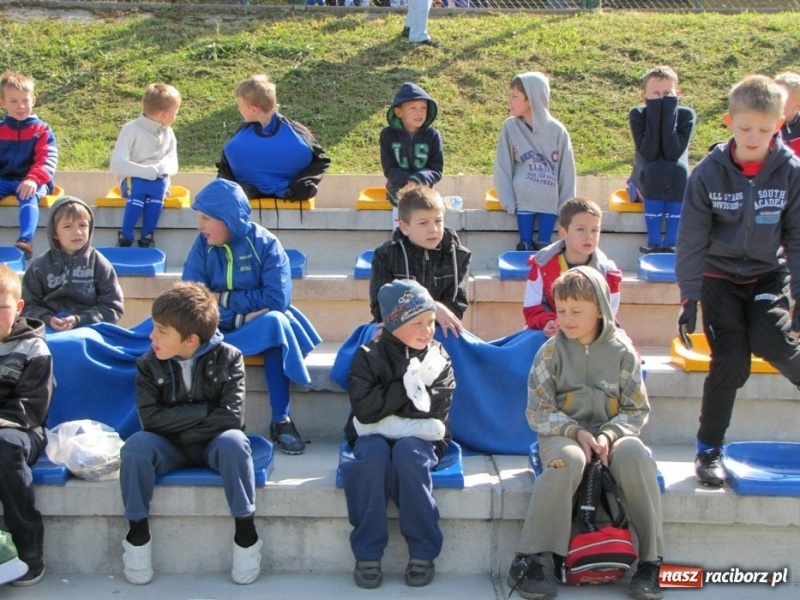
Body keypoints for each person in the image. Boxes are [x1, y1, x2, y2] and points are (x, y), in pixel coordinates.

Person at [508, 267, 662, 600]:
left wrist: (608, 435)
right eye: (561, 310)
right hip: (563, 433)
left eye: (577, 311)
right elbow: (538, 410)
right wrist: (574, 432)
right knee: (567, 459)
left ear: (600, 309)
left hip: (614, 436)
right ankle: (533, 558)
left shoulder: (623, 352)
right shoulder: (550, 352)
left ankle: (651, 562)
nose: (566, 319)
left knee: (636, 456)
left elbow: (636, 410)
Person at [676, 74, 800, 488]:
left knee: (777, 342)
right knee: (730, 362)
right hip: (719, 277)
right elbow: (692, 238)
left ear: (779, 125)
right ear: (729, 121)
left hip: (768, 272)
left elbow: (797, 237)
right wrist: (689, 296)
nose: (754, 137)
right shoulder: (708, 173)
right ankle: (709, 448)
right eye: (745, 128)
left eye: (764, 130)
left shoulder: (791, 172)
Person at [119, 282, 261, 586]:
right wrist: (205, 411)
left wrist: (184, 422)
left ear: (190, 339)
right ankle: (137, 533)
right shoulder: (147, 363)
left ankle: (246, 532)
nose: (151, 337)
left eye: (161, 331)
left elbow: (232, 417)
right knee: (135, 447)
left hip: (214, 446)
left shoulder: (230, 357)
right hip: (168, 447)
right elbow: (151, 421)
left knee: (235, 442)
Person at [182, 179, 321, 455]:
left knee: (275, 324)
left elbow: (276, 301)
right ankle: (209, 419)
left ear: (229, 219)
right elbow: (192, 298)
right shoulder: (202, 245)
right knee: (171, 323)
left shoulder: (266, 244)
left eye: (206, 218)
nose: (200, 226)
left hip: (256, 327)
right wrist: (239, 316)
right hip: (215, 327)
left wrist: (220, 298)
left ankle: (281, 419)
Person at [342, 279, 454, 589]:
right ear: (393, 323)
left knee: (408, 455)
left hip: (423, 439)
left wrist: (388, 404)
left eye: (431, 321)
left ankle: (422, 550)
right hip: (372, 437)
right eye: (417, 322)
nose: (427, 329)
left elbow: (436, 409)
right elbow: (364, 409)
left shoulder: (438, 358)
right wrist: (409, 388)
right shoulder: (368, 355)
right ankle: (367, 551)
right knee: (372, 457)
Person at [0, 263, 53, 586]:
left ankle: (28, 549)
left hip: (22, 431)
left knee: (4, 448)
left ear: (18, 307)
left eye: (1, 307)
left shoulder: (34, 348)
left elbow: (33, 407)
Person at [371, 185, 470, 335]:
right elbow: (380, 306)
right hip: (397, 328)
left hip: (438, 329)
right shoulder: (386, 255)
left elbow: (456, 306)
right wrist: (431, 306)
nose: (433, 229)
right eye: (423, 223)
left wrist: (427, 322)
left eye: (438, 221)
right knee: (368, 337)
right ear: (405, 227)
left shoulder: (459, 255)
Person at [494, 72, 576, 251]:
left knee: (545, 234)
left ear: (531, 98)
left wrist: (566, 204)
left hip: (549, 197)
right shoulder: (510, 127)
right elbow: (503, 165)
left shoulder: (557, 131)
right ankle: (525, 242)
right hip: (523, 197)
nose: (510, 101)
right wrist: (506, 199)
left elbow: (567, 170)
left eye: (515, 96)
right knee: (525, 234)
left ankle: (544, 243)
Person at [216, 74, 330, 201]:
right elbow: (225, 167)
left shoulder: (294, 131)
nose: (238, 109)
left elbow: (321, 160)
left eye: (239, 105)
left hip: (290, 188)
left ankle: (290, 190)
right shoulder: (242, 134)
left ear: (253, 110)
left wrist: (304, 181)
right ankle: (248, 189)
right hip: (249, 187)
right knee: (223, 190)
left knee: (302, 189)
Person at [21, 196, 124, 331]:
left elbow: (113, 306)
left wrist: (79, 319)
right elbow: (27, 305)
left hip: (89, 327)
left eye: (82, 225)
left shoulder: (100, 264)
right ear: (55, 233)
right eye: (68, 226)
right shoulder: (39, 267)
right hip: (49, 327)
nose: (77, 232)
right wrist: (48, 319)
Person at [522, 197, 621, 336]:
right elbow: (532, 309)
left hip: (592, 333)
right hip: (549, 330)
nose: (589, 236)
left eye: (595, 230)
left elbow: (608, 314)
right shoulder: (541, 264)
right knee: (525, 345)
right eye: (581, 229)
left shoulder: (609, 273)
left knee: (627, 350)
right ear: (563, 232)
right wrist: (550, 323)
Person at [629, 66, 696, 254]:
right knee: (654, 171)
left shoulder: (685, 115)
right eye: (655, 95)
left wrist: (667, 111)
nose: (661, 99)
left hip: (675, 182)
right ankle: (655, 241)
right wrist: (655, 112)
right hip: (646, 179)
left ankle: (672, 241)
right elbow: (649, 153)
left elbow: (672, 152)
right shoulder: (638, 115)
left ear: (677, 95)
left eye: (667, 94)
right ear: (644, 97)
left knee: (677, 173)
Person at [111, 82, 181, 248]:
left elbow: (173, 164)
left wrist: (159, 169)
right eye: (175, 113)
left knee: (160, 187)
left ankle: (147, 235)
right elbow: (118, 165)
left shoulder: (168, 133)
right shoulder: (131, 130)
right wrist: (144, 171)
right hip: (134, 180)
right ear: (164, 114)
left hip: (158, 179)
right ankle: (126, 235)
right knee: (139, 188)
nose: (176, 117)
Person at [0, 71, 58, 260]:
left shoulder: (42, 130)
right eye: (13, 101)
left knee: (29, 195)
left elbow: (47, 160)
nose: (20, 106)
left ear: (33, 100)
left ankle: (25, 240)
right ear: (3, 103)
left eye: (25, 100)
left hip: (32, 180)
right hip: (5, 179)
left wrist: (33, 179)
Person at [380, 82, 444, 227]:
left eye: (423, 108)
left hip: (425, 197)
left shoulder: (432, 135)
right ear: (398, 112)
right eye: (413, 108)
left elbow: (437, 170)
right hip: (398, 197)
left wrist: (419, 178)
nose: (419, 113)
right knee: (401, 234)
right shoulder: (387, 135)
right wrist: (408, 180)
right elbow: (389, 169)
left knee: (423, 236)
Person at [775, 71, 800, 155]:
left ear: (798, 104)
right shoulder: (762, 125)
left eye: (782, 98)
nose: (775, 102)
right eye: (772, 96)